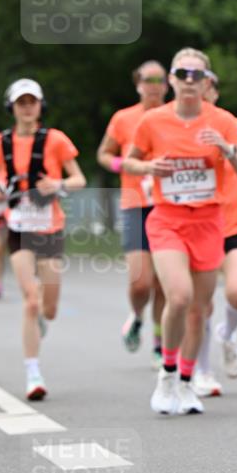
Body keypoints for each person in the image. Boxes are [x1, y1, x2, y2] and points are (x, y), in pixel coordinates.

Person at [121, 49, 237, 416]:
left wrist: (228, 151)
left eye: (198, 75)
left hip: (209, 223)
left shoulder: (224, 121)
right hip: (167, 219)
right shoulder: (154, 121)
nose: (190, 81)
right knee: (178, 297)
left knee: (199, 310)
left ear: (206, 81)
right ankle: (165, 375)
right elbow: (130, 160)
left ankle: (184, 381)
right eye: (183, 73)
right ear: (173, 80)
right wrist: (150, 166)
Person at [0, 79, 86, 399]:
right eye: (21, 102)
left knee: (50, 307)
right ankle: (33, 374)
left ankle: (42, 318)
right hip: (18, 227)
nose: (27, 107)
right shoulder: (0, 143)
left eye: (32, 102)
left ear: (40, 106)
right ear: (12, 107)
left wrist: (56, 185)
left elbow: (79, 179)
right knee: (30, 300)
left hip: (50, 227)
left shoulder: (55, 140)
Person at [97, 61, 168, 366]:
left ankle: (158, 341)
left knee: (163, 282)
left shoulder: (174, 116)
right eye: (147, 78)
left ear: (166, 84)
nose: (153, 84)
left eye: (159, 79)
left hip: (168, 204)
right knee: (141, 281)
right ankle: (137, 315)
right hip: (135, 203)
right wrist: (121, 165)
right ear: (137, 84)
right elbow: (103, 154)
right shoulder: (123, 118)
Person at [193, 72, 237, 396]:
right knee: (200, 302)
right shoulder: (169, 124)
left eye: (207, 85)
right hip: (194, 225)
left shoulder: (231, 123)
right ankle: (203, 371)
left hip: (231, 222)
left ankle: (227, 333)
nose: (200, 90)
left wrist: (228, 150)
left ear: (215, 92)